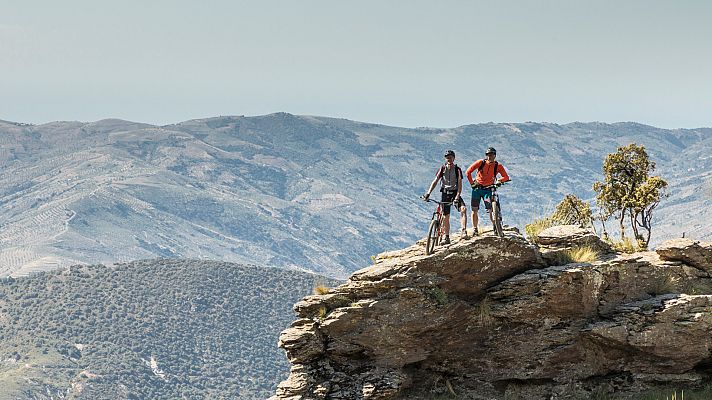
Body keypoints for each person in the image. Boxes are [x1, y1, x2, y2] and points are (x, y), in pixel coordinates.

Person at [423, 150, 468, 244]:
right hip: (445, 194)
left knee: (463, 209)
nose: (449, 159)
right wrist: (428, 193)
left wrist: (457, 196)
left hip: (455, 193)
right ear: (445, 158)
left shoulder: (457, 169)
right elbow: (435, 181)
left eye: (451, 157)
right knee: (445, 216)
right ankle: (446, 237)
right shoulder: (442, 168)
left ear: (454, 158)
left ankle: (464, 231)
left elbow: (459, 184)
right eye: (447, 157)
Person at [465, 147, 510, 235]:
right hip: (477, 189)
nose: (489, 157)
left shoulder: (498, 166)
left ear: (495, 155)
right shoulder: (480, 163)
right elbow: (468, 172)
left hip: (487, 189)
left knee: (490, 209)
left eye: (491, 155)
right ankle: (475, 229)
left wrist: (499, 181)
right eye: (488, 155)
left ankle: (495, 226)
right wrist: (472, 183)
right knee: (474, 209)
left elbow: (506, 177)